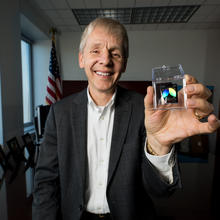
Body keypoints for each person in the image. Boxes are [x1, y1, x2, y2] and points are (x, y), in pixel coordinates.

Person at [32, 18, 220, 220]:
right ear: (81, 59)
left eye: (115, 53)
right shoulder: (59, 112)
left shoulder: (147, 112)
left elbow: (160, 192)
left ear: (124, 64)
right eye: (95, 51)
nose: (105, 60)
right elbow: (45, 182)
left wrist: (160, 146)